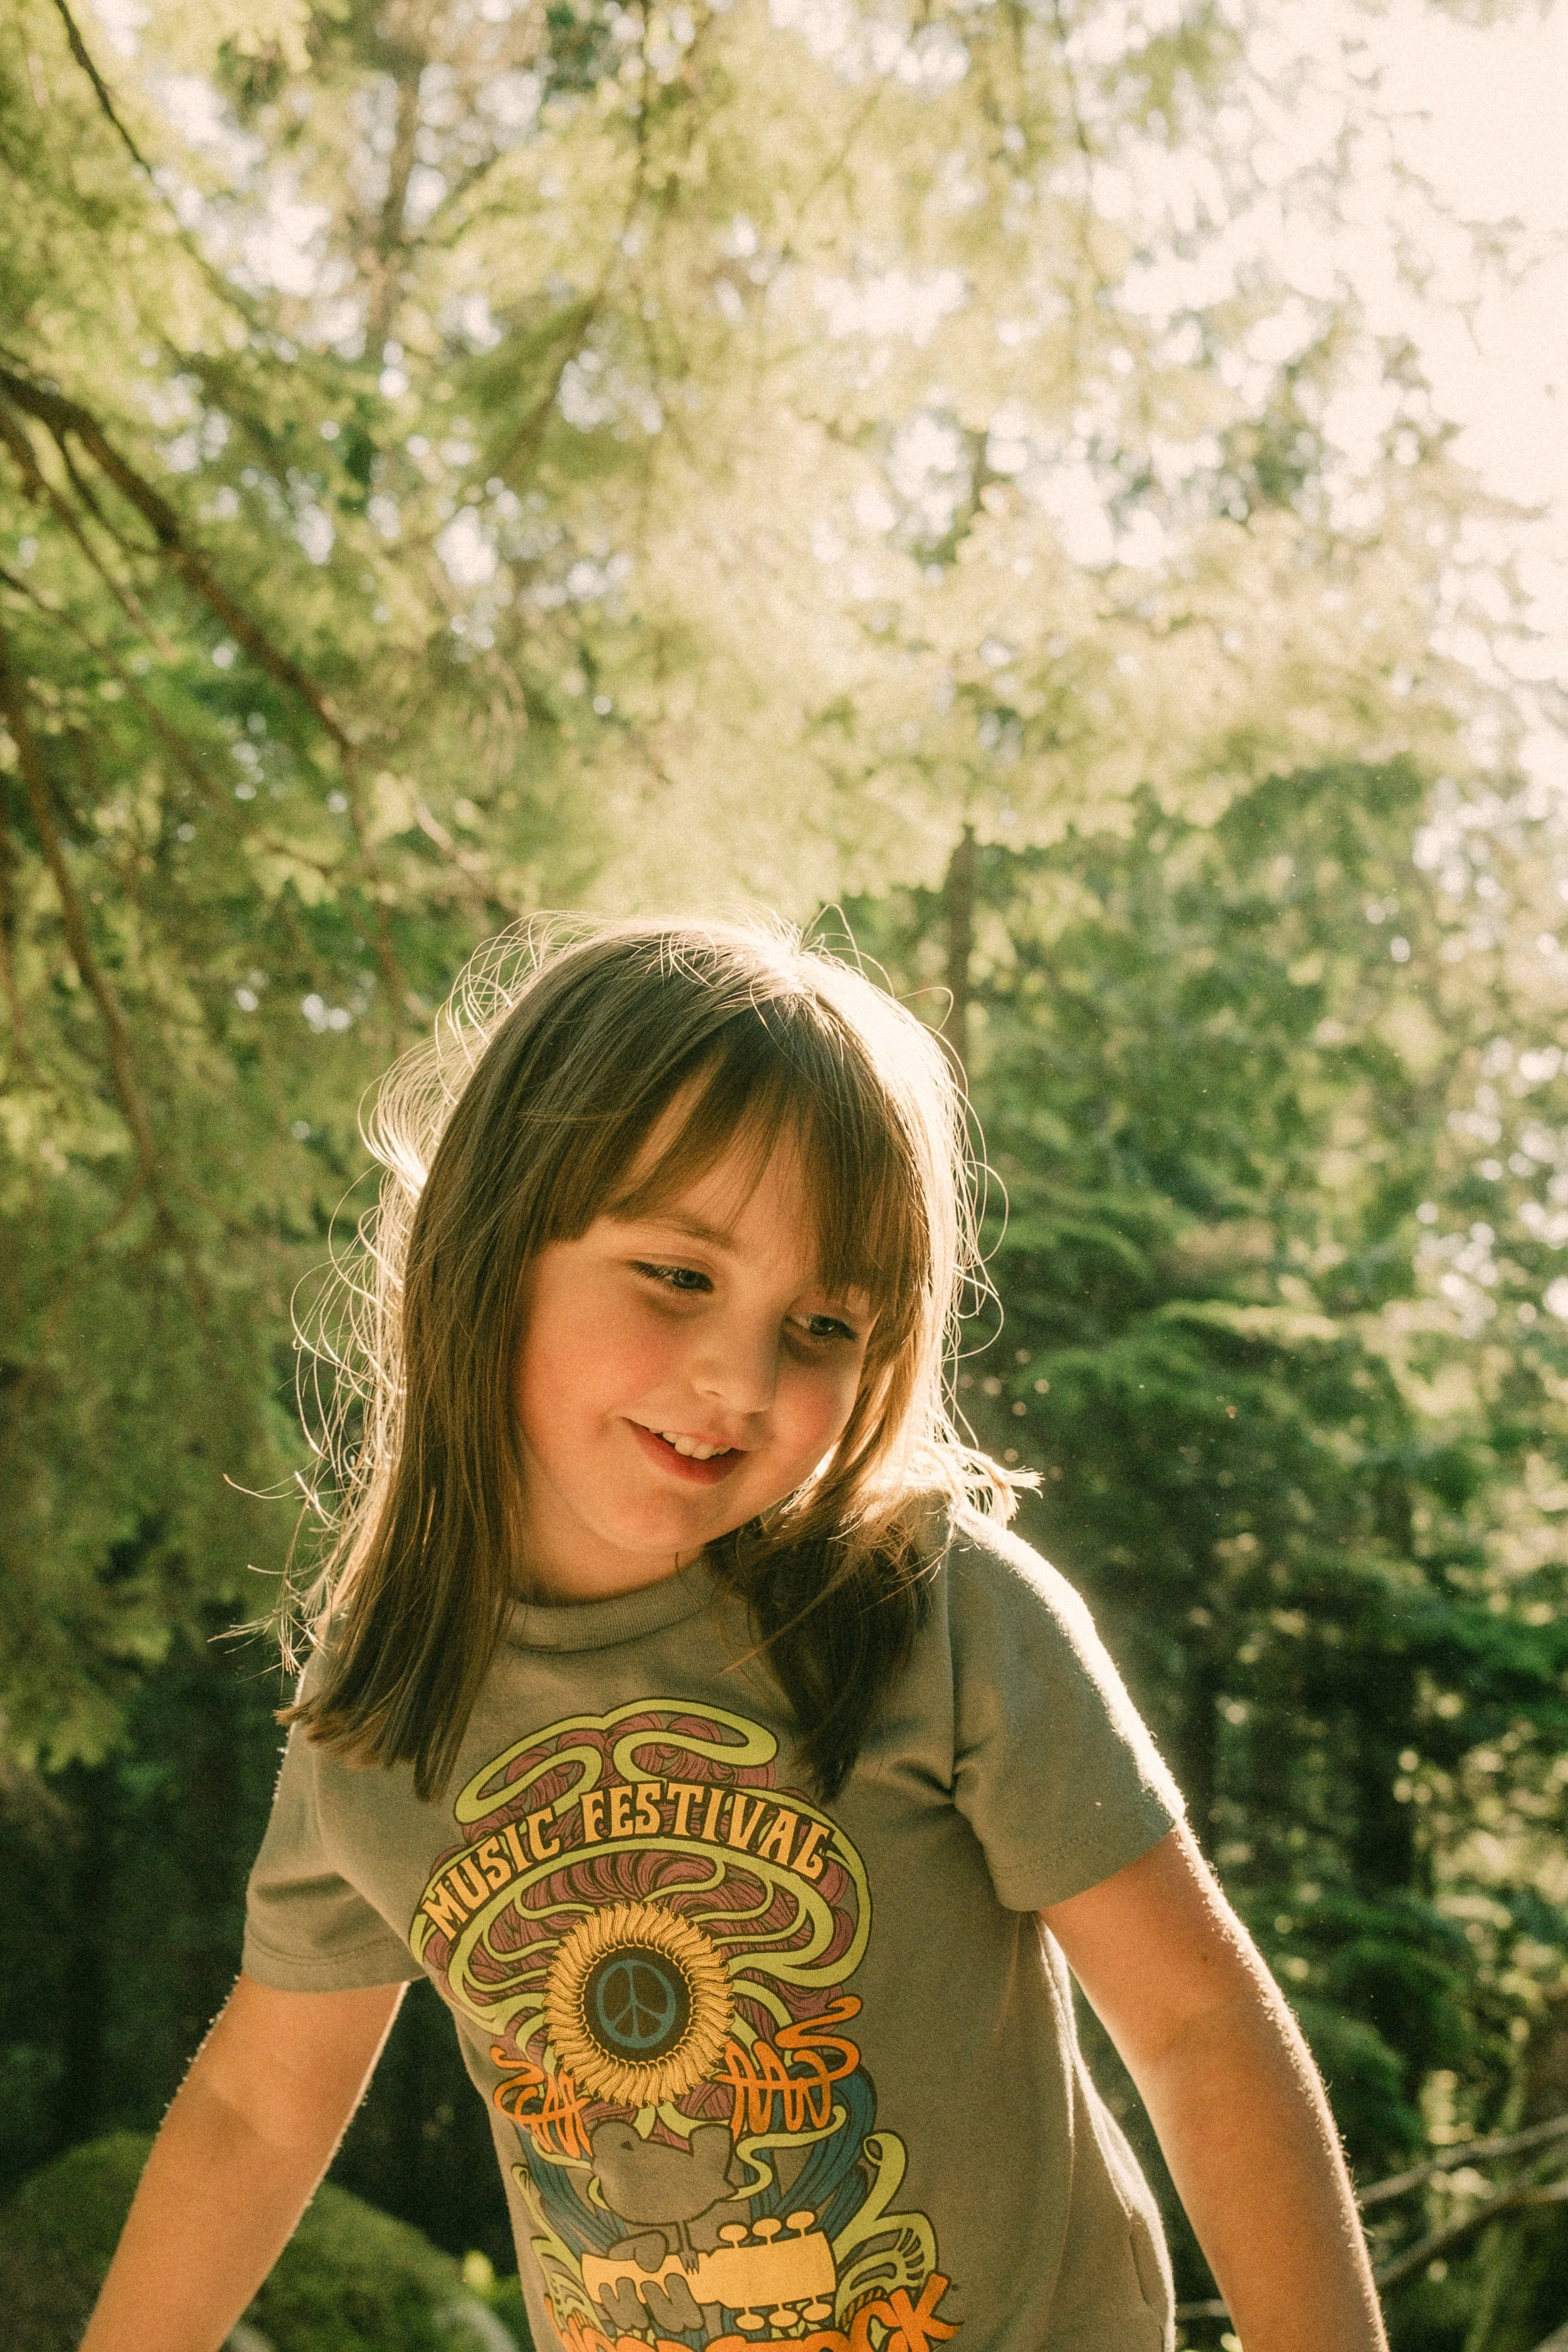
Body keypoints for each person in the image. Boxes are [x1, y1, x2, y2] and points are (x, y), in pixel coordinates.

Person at [81, 918, 1388, 2352]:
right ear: (492, 1243)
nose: (737, 1379)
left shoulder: (935, 1615)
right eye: (679, 1276)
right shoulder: (384, 1708)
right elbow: (256, 2109)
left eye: (824, 1323)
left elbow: (1200, 2036)